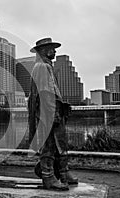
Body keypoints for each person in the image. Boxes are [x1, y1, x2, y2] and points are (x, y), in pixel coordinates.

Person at [28, 38, 78, 191]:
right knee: (48, 144)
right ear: (43, 50)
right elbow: (44, 93)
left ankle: (63, 173)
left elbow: (54, 92)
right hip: (47, 112)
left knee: (60, 143)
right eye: (52, 48)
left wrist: (62, 105)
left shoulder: (47, 66)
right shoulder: (41, 67)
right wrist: (50, 112)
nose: (55, 51)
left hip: (54, 109)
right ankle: (48, 176)